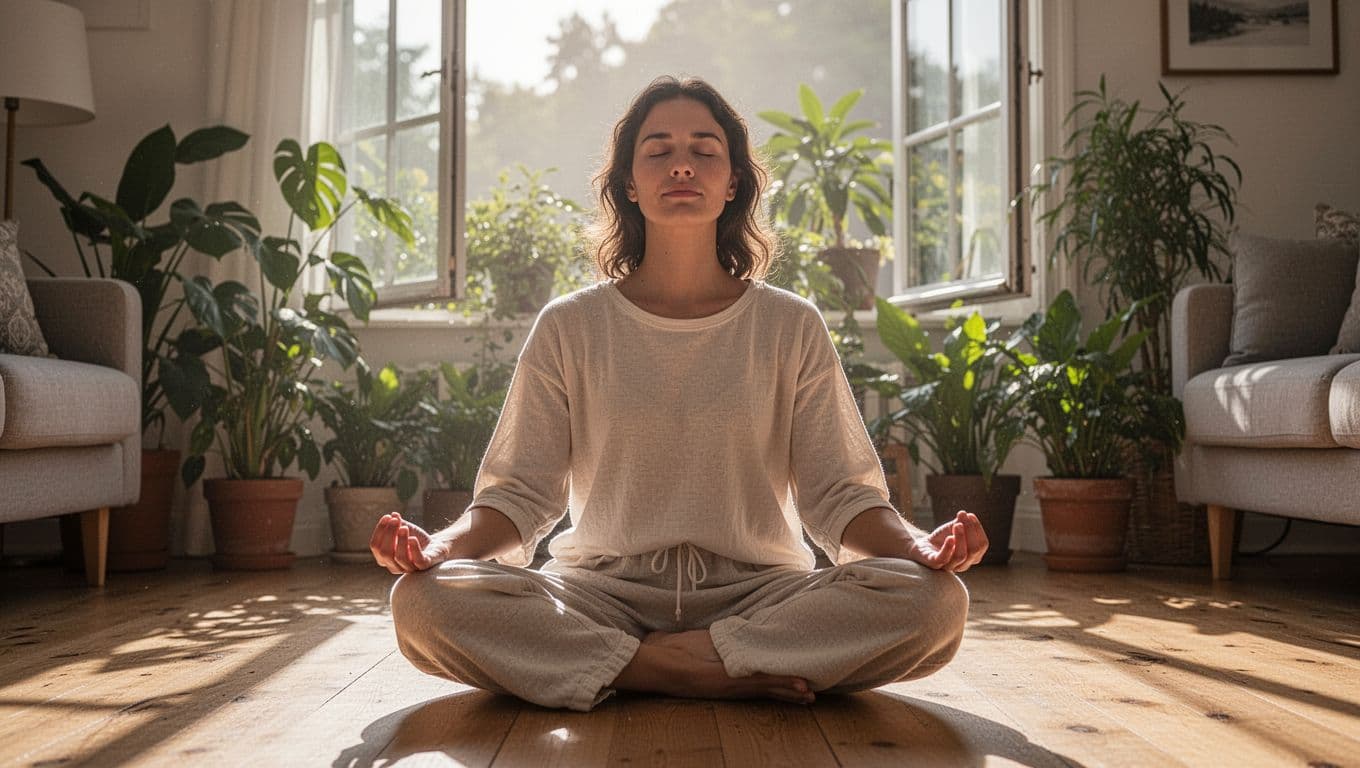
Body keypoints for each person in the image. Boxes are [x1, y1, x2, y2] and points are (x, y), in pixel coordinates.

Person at [371, 75, 987, 713]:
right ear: (630, 185)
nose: (683, 165)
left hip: (761, 596)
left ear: (734, 183)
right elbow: (518, 497)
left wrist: (918, 547)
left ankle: (650, 665)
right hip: (600, 594)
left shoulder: (789, 324)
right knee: (422, 601)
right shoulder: (570, 325)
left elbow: (841, 497)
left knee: (936, 601)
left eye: (705, 150)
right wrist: (439, 548)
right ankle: (696, 667)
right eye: (658, 150)